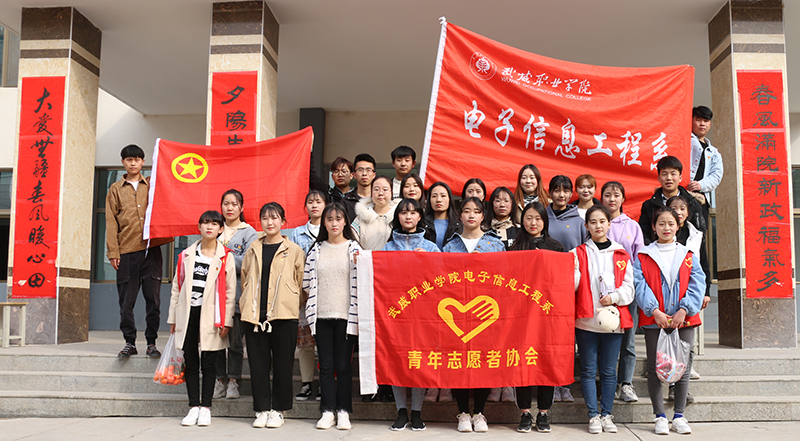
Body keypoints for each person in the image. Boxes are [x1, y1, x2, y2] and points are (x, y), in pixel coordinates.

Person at [634, 207, 705, 435]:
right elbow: (639, 284)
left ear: (678, 226)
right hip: (655, 319)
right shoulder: (643, 255)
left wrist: (685, 309)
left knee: (682, 367)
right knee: (655, 367)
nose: (666, 228)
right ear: (654, 227)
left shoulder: (688, 254)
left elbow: (697, 282)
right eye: (661, 224)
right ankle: (660, 416)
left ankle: (679, 416)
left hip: (684, 319)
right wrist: (653, 310)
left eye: (671, 224)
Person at [239, 202, 305, 428]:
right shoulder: (253, 249)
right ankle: (261, 409)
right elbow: (245, 278)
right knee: (258, 364)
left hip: (283, 316)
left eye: (274, 217)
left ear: (283, 221)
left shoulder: (294, 250)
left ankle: (278, 409)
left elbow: (300, 282)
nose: (270, 222)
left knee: (283, 364)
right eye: (265, 218)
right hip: (254, 316)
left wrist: (289, 301)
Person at [168, 210, 235, 427]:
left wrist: (227, 320)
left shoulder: (225, 256)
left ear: (221, 229)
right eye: (205, 223)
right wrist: (173, 318)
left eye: (214, 224)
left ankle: (206, 407)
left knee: (209, 362)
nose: (209, 227)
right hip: (188, 313)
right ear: (199, 227)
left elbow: (230, 291)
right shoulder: (186, 255)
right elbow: (176, 287)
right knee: (190, 361)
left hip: (212, 315)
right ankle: (193, 406)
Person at [572, 205, 635, 434]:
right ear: (586, 226)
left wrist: (614, 297)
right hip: (586, 321)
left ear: (609, 224)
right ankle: (593, 415)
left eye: (602, 221)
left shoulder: (620, 254)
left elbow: (629, 287)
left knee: (609, 371)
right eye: (593, 222)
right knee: (588, 371)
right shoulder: (577, 253)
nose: (598, 226)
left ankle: (607, 414)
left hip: (612, 322)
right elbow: (571, 284)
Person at [106, 144, 173, 358]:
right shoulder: (115, 189)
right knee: (126, 301)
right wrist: (113, 252)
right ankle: (129, 342)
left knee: (153, 300)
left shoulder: (153, 185)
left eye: (137, 159)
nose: (133, 163)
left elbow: (172, 195)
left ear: (143, 162)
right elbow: (110, 222)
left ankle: (151, 342)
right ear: (123, 163)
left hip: (151, 250)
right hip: (126, 251)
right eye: (129, 159)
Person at [444, 197, 504, 432]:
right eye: (466, 211)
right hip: (457, 312)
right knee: (457, 362)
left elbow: (505, 276)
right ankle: (462, 413)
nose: (471, 215)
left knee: (483, 362)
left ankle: (479, 412)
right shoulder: (450, 246)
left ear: (483, 216)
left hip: (486, 311)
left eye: (476, 211)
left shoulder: (495, 244)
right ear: (460, 215)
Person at [304, 203, 362, 430]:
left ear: (345, 221)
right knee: (326, 366)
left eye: (338, 218)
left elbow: (363, 279)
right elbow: (306, 283)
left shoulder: (355, 249)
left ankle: (344, 410)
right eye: (329, 219)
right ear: (324, 223)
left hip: (346, 316)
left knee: (344, 366)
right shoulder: (316, 250)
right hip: (321, 316)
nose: (334, 223)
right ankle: (327, 410)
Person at [383, 198, 439, 431]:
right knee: (397, 362)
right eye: (403, 212)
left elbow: (443, 279)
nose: (408, 216)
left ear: (420, 217)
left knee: (418, 361)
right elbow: (380, 276)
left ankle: (417, 412)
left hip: (423, 315)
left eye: (413, 212)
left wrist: (428, 262)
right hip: (395, 315)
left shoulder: (431, 247)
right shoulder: (387, 248)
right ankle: (401, 411)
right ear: (397, 217)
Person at [509, 201, 564, 433]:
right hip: (520, 316)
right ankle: (524, 413)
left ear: (545, 221)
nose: (533, 223)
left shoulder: (556, 248)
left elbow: (562, 282)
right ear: (522, 221)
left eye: (538, 218)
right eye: (529, 218)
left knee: (545, 361)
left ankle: (543, 413)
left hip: (547, 315)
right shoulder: (514, 248)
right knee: (521, 361)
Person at [601, 181, 644, 403]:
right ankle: (605, 383)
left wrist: (632, 288)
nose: (612, 199)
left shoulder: (632, 226)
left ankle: (626, 384)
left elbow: (639, 261)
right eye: (607, 195)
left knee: (628, 340)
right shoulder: (597, 224)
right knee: (603, 338)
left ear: (623, 199)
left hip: (627, 292)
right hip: (602, 294)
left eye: (616, 195)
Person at [213, 189, 258, 401]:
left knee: (235, 343)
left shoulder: (248, 233)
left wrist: (222, 257)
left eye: (234, 204)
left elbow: (247, 262)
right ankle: (219, 380)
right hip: (214, 297)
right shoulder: (215, 228)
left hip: (237, 295)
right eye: (226, 204)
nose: (229, 208)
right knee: (215, 341)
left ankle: (233, 381)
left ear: (242, 207)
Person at [667, 195, 712, 387]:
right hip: (668, 291)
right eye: (674, 208)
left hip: (691, 290)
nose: (678, 212)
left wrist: (706, 291)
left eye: (682, 208)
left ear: (688, 213)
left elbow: (704, 264)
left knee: (687, 338)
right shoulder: (663, 232)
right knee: (670, 337)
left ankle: (686, 369)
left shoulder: (696, 235)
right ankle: (670, 378)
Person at [290, 190, 327, 401]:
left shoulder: (330, 229)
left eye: (318, 201)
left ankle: (323, 382)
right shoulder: (297, 233)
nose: (314, 205)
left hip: (326, 294)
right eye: (310, 202)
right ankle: (306, 383)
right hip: (304, 294)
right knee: (305, 342)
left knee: (324, 341)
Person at [639, 156, 706, 245]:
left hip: (686, 251)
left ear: (680, 178)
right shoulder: (649, 205)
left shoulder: (692, 203)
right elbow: (644, 234)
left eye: (673, 174)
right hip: (657, 250)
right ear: (659, 178)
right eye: (664, 174)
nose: (669, 178)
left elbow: (700, 233)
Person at [687, 105, 723, 224]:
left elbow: (716, 176)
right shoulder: (685, 142)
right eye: (698, 120)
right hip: (682, 197)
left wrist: (700, 185)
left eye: (706, 121)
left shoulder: (714, 153)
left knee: (700, 232)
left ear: (710, 124)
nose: (702, 124)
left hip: (702, 201)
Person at [352, 176, 399, 251]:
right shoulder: (361, 217)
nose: (380, 193)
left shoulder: (399, 216)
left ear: (391, 192)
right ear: (371, 192)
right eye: (376, 189)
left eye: (385, 189)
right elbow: (352, 242)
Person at [424, 182, 462, 252]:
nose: (438, 200)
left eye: (443, 196)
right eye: (434, 196)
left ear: (449, 199)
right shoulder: (422, 223)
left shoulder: (459, 223)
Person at [484, 186, 519, 251]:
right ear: (492, 203)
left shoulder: (520, 230)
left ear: (512, 204)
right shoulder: (483, 230)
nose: (502, 205)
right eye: (498, 201)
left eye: (506, 201)